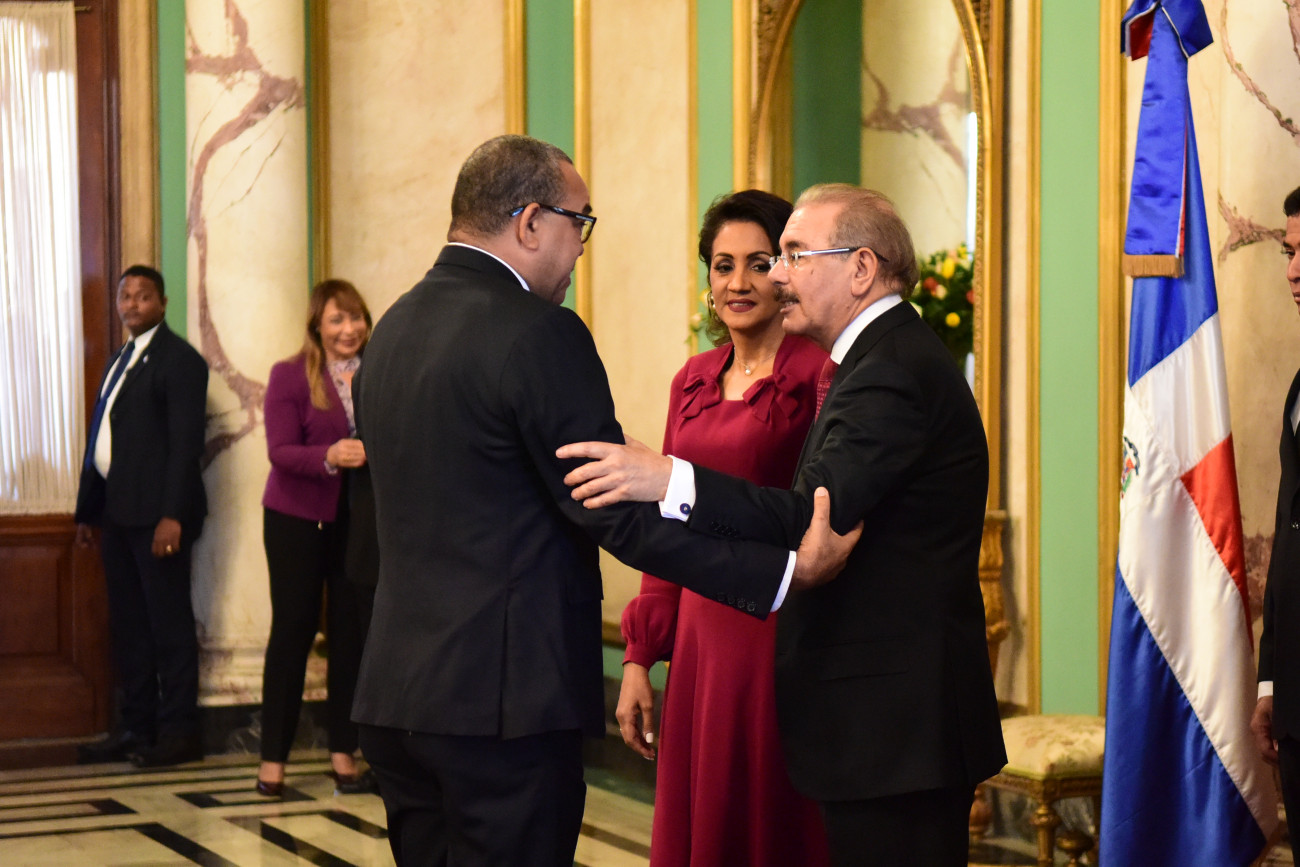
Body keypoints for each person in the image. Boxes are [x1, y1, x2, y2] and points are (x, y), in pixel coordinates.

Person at [349, 134, 857, 867]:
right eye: (578, 222)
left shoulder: (393, 329)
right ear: (531, 222)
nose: (580, 249)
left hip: (396, 696)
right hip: (504, 706)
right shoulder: (540, 333)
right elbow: (615, 507)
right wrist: (781, 573)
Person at [560, 184, 1007, 867]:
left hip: (895, 724)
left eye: (794, 255)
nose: (777, 275)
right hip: (880, 718)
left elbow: (807, 516)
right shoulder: (878, 359)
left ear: (861, 268)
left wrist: (668, 479)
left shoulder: (889, 371)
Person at [617, 190, 831, 866]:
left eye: (759, 263)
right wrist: (638, 658)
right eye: (723, 264)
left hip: (780, 630)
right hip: (699, 639)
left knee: (770, 824)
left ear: (787, 269)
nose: (739, 282)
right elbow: (665, 524)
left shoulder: (818, 373)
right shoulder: (691, 379)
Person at [74, 265, 209, 768]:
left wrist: (171, 516)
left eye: (143, 296)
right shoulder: (120, 359)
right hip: (118, 513)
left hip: (158, 519)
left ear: (163, 303)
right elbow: (102, 439)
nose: (131, 304)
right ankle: (137, 726)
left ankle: (178, 733)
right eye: (125, 296)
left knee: (168, 627)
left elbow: (184, 446)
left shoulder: (181, 361)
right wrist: (89, 511)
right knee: (130, 626)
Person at [255, 279, 376, 797]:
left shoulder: (379, 372)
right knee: (294, 631)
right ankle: (272, 760)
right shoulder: (289, 374)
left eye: (355, 318)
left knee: (350, 636)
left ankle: (344, 753)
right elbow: (280, 450)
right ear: (316, 327)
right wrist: (329, 456)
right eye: (336, 320)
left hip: (357, 523)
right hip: (296, 520)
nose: (349, 329)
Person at [1252, 184, 1300, 829]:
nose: (1293, 271)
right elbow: (1289, 536)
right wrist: (1270, 681)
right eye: (1289, 252)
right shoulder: (1298, 383)